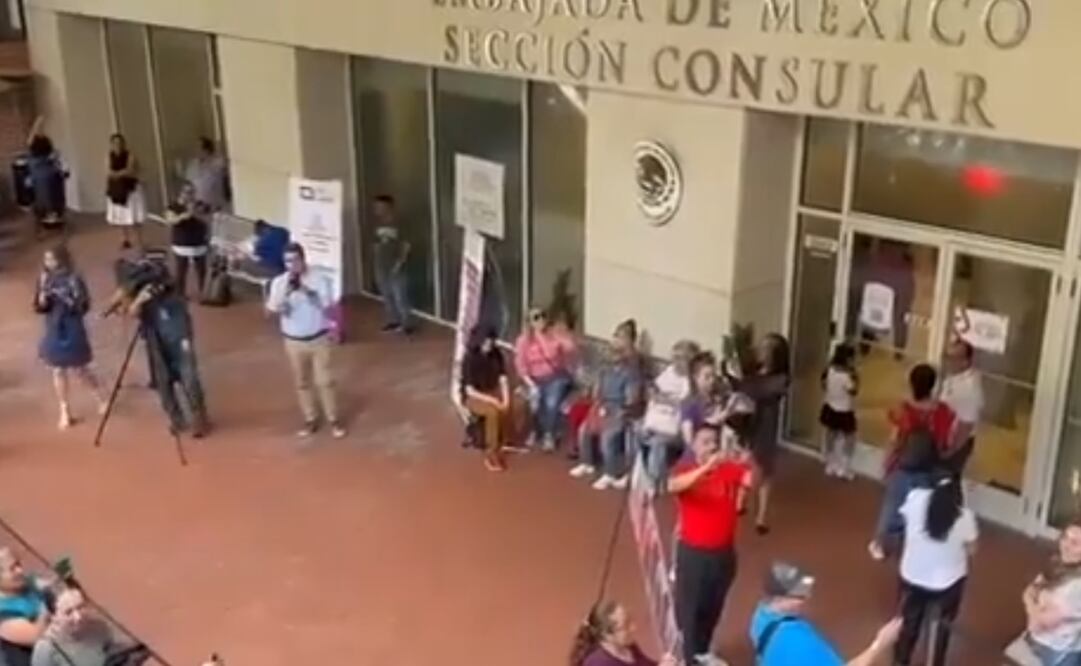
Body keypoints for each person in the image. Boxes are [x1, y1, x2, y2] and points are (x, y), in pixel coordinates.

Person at [668, 423, 753, 666]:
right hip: (694, 554)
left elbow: (749, 480)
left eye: (714, 441)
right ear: (693, 444)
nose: (712, 446)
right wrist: (706, 468)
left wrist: (747, 461)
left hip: (724, 553)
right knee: (690, 610)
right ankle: (690, 658)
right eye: (705, 441)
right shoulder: (684, 469)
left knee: (713, 606)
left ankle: (703, 651)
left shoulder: (728, 468)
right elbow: (673, 485)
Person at [113, 250, 210, 438]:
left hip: (178, 335)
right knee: (163, 381)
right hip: (155, 338)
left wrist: (139, 300)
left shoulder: (167, 285)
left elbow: (157, 290)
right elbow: (128, 304)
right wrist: (127, 302)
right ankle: (176, 418)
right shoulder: (137, 285)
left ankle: (199, 418)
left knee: (188, 378)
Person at [868, 364, 957, 561]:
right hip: (928, 469)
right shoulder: (942, 411)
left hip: (904, 467)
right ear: (933, 385)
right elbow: (945, 442)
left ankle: (880, 544)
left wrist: (885, 463)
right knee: (920, 509)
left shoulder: (904, 410)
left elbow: (895, 439)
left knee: (892, 506)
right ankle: (912, 546)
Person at [749, 560, 902, 666]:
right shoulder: (797, 639)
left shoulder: (761, 614)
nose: (808, 598)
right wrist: (880, 643)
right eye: (799, 596)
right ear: (779, 599)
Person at [894, 474, 978, 666]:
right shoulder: (964, 516)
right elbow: (973, 549)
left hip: (912, 575)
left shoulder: (915, 498)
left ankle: (900, 660)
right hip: (946, 584)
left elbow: (904, 518)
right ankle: (935, 661)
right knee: (942, 627)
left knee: (909, 623)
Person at [266, 243, 345, 439]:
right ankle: (311, 418)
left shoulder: (318, 279)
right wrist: (283, 301)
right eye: (287, 261)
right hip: (293, 342)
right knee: (302, 382)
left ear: (303, 259)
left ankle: (334, 419)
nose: (291, 265)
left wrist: (307, 292)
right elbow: (270, 311)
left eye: (295, 260)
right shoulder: (279, 283)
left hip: (319, 338)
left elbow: (328, 307)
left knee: (325, 381)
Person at [35, 245, 106, 430]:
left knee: (80, 369)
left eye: (52, 259)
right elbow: (38, 307)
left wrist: (69, 300)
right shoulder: (44, 279)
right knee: (57, 370)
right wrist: (42, 300)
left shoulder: (74, 278)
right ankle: (65, 410)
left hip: (72, 325)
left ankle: (100, 397)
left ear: (61, 259)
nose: (48, 263)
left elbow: (84, 305)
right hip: (53, 327)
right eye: (46, 260)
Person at [728, 333, 790, 535]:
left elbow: (758, 392)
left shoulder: (780, 379)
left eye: (766, 348)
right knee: (744, 463)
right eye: (761, 346)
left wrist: (740, 380)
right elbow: (740, 388)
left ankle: (761, 517)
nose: (760, 350)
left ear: (776, 355)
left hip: (765, 428)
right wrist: (731, 372)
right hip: (747, 424)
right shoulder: (752, 370)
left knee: (764, 469)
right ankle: (740, 501)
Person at [571, 330, 642, 490]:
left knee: (607, 437)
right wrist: (597, 400)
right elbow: (597, 392)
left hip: (620, 409)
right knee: (584, 430)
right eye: (610, 354)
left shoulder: (630, 374)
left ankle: (610, 474)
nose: (612, 358)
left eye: (616, 354)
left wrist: (619, 409)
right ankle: (587, 463)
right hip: (602, 405)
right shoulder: (604, 371)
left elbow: (632, 398)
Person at [638, 340, 699, 491]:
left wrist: (662, 398)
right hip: (659, 420)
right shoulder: (670, 371)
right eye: (675, 357)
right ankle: (641, 475)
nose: (677, 362)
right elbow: (655, 390)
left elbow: (682, 403)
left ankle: (654, 483)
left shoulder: (691, 381)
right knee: (637, 431)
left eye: (681, 358)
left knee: (658, 443)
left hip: (676, 428)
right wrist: (655, 393)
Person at [514, 307, 577, 451]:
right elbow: (521, 364)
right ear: (529, 322)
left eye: (543, 316)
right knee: (535, 402)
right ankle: (536, 431)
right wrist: (530, 384)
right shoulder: (524, 340)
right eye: (536, 317)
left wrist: (564, 334)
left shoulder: (553, 335)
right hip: (533, 378)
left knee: (551, 402)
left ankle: (549, 434)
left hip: (555, 376)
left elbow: (570, 348)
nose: (540, 320)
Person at [1021, 519, 1081, 664]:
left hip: (1057, 651)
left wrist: (1031, 604)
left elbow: (1035, 626)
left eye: (1075, 543)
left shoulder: (1076, 588)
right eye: (1065, 537)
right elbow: (1030, 589)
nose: (1065, 546)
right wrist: (1035, 607)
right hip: (1043, 642)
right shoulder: (1060, 562)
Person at [462, 325, 512, 472]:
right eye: (485, 342)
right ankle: (491, 453)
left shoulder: (497, 354)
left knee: (511, 406)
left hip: (492, 390)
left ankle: (502, 439)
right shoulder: (470, 358)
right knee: (493, 412)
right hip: (474, 395)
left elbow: (503, 378)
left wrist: (506, 399)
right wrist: (494, 401)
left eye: (490, 342)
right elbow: (470, 390)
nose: (488, 345)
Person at [31, 587, 121, 666]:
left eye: (80, 607)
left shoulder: (99, 626)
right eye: (68, 612)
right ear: (53, 617)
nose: (78, 617)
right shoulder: (46, 649)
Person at [569, 601, 677, 666]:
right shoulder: (598, 663)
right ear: (607, 635)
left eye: (630, 620)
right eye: (625, 626)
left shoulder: (629, 648)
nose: (633, 628)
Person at [938, 339, 983, 475]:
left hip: (957, 442)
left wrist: (950, 450)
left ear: (966, 362)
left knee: (948, 479)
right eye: (947, 356)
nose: (948, 361)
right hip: (946, 436)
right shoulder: (954, 377)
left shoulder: (969, 389)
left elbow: (966, 425)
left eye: (953, 358)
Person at [0, 548, 51, 666]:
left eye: (18, 564)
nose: (19, 570)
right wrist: (46, 605)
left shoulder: (28, 582)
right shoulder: (3, 612)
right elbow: (37, 638)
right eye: (12, 569)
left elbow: (50, 587)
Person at [372, 195, 413, 334]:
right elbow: (376, 243)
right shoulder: (377, 224)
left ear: (389, 207)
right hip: (380, 266)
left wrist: (400, 262)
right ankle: (393, 321)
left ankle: (407, 324)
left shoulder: (400, 223)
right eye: (376, 207)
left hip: (396, 266)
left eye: (380, 207)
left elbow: (407, 244)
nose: (378, 210)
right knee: (387, 295)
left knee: (400, 295)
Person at [820, 342, 858, 480]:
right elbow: (854, 390)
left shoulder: (830, 370)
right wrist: (855, 376)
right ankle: (844, 467)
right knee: (850, 437)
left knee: (831, 434)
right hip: (844, 409)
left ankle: (830, 464)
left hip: (830, 406)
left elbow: (823, 384)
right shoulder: (846, 375)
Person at [25, 117, 67, 234]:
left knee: (57, 178)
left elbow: (52, 152)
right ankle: (47, 211)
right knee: (45, 181)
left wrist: (55, 156)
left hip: (49, 165)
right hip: (38, 168)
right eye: (39, 127)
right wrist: (36, 125)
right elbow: (30, 150)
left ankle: (56, 211)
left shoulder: (47, 139)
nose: (41, 129)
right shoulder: (32, 140)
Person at [104, 133, 145, 249]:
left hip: (130, 190)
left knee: (135, 217)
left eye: (120, 142)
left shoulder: (130, 155)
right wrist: (120, 174)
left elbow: (130, 170)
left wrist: (117, 174)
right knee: (121, 217)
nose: (118, 145)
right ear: (111, 144)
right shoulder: (108, 156)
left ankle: (140, 240)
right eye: (115, 143)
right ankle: (125, 239)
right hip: (116, 190)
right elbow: (107, 171)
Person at [165, 199, 210, 299]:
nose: (188, 196)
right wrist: (184, 216)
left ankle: (204, 291)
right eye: (186, 193)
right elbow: (170, 220)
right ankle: (180, 293)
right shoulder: (174, 206)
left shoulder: (200, 205)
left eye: (190, 193)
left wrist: (197, 213)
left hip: (199, 243)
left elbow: (207, 217)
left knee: (202, 270)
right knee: (181, 270)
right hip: (182, 244)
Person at [680, 352, 725, 448]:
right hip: (697, 456)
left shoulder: (718, 400)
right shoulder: (689, 403)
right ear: (695, 377)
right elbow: (689, 439)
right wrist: (708, 422)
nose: (712, 380)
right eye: (707, 377)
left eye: (713, 376)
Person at [177, 136, 229, 211]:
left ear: (206, 150)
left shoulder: (217, 163)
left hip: (216, 207)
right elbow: (188, 185)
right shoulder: (193, 164)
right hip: (198, 207)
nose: (195, 150)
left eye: (198, 147)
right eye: (195, 147)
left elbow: (226, 165)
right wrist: (182, 200)